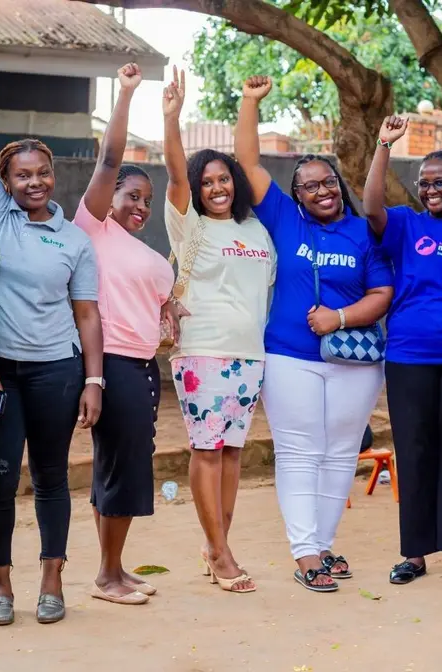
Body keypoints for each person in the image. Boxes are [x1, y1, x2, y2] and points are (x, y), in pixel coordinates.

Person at [0, 37, 104, 625]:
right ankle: (0, 585)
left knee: (49, 476)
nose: (34, 182)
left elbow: (87, 314)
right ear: (6, 179)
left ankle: (51, 576)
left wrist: (94, 380)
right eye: (22, 174)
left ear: (53, 177)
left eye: (42, 173)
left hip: (56, 370)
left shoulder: (75, 241)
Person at [235, 75, 393, 593]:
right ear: (297, 196)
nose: (322, 191)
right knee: (301, 450)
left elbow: (381, 294)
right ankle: (304, 553)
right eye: (310, 186)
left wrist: (340, 318)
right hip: (290, 358)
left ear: (338, 186)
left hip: (353, 359)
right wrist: (250, 102)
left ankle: (324, 546)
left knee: (341, 451)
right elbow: (250, 164)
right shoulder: (284, 219)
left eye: (328, 182)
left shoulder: (362, 232)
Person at [162, 68, 275, 594]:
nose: (215, 188)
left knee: (232, 453)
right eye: (206, 182)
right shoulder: (192, 225)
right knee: (206, 449)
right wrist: (172, 117)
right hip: (202, 351)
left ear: (235, 181)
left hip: (249, 355)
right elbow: (175, 175)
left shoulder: (256, 229)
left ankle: (215, 547)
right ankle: (222, 552)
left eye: (222, 178)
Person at [72, 64, 177, 605]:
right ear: (107, 196)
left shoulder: (145, 252)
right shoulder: (92, 227)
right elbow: (110, 157)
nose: (139, 205)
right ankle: (109, 577)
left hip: (141, 365)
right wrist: (128, 93)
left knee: (112, 468)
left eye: (146, 200)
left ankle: (111, 566)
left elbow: (161, 307)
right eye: (130, 195)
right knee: (124, 470)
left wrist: (170, 313)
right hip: (110, 364)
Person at [363, 115, 442, 588]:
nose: (432, 189)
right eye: (425, 183)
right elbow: (371, 205)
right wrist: (383, 145)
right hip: (409, 356)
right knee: (414, 452)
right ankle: (414, 553)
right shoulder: (405, 224)